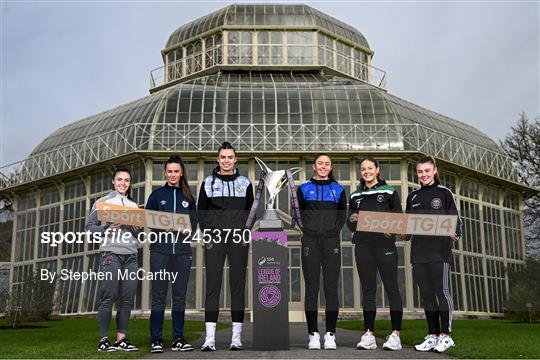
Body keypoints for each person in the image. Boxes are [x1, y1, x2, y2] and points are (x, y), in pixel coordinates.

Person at [198, 142, 254, 351]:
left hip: (238, 238)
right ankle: (209, 339)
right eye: (223, 157)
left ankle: (236, 338)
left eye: (230, 157)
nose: (226, 160)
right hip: (215, 239)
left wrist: (243, 231)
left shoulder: (245, 182)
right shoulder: (207, 182)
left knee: (237, 285)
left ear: (235, 159)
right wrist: (209, 233)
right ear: (218, 159)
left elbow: (252, 211)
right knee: (213, 285)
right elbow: (201, 212)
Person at [404, 156, 461, 353]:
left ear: (434, 170)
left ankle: (446, 336)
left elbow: (455, 219)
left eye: (427, 171)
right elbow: (408, 225)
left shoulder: (444, 193)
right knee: (426, 295)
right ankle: (432, 335)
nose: (424, 175)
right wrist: (401, 232)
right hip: (418, 254)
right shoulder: (412, 197)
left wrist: (456, 232)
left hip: (440, 252)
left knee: (441, 292)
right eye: (420, 172)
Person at [346, 157, 404, 351]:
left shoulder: (389, 191)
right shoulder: (355, 195)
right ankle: (368, 334)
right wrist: (354, 220)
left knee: (392, 288)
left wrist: (392, 227)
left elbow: (398, 216)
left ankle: (395, 335)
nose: (367, 171)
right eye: (363, 169)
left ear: (377, 170)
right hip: (363, 246)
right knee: (369, 290)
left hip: (385, 245)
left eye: (370, 168)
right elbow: (350, 221)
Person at [145, 155, 197, 353]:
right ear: (165, 173)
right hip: (160, 252)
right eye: (170, 171)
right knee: (158, 296)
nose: (173, 174)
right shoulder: (156, 196)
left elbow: (195, 222)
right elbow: (148, 220)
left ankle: (178, 339)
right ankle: (156, 340)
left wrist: (187, 231)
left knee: (179, 296)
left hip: (182, 253)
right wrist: (161, 227)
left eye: (176, 171)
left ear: (181, 172)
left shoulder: (188, 197)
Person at [86, 167, 142, 352]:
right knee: (108, 297)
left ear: (129, 183)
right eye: (120, 179)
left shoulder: (134, 206)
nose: (123, 183)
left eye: (126, 180)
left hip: (131, 256)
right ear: (113, 181)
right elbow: (90, 227)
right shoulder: (103, 203)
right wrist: (106, 229)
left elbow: (139, 236)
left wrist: (137, 230)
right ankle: (103, 341)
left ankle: (121, 339)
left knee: (127, 299)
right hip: (111, 253)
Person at [297, 154, 347, 350]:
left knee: (331, 288)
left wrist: (333, 230)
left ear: (331, 167)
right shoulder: (303, 189)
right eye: (320, 163)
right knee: (311, 288)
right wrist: (308, 229)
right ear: (314, 166)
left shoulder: (338, 189)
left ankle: (330, 334)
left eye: (327, 163)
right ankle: (313, 334)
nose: (323, 166)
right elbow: (297, 212)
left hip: (331, 241)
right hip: (310, 241)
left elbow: (342, 215)